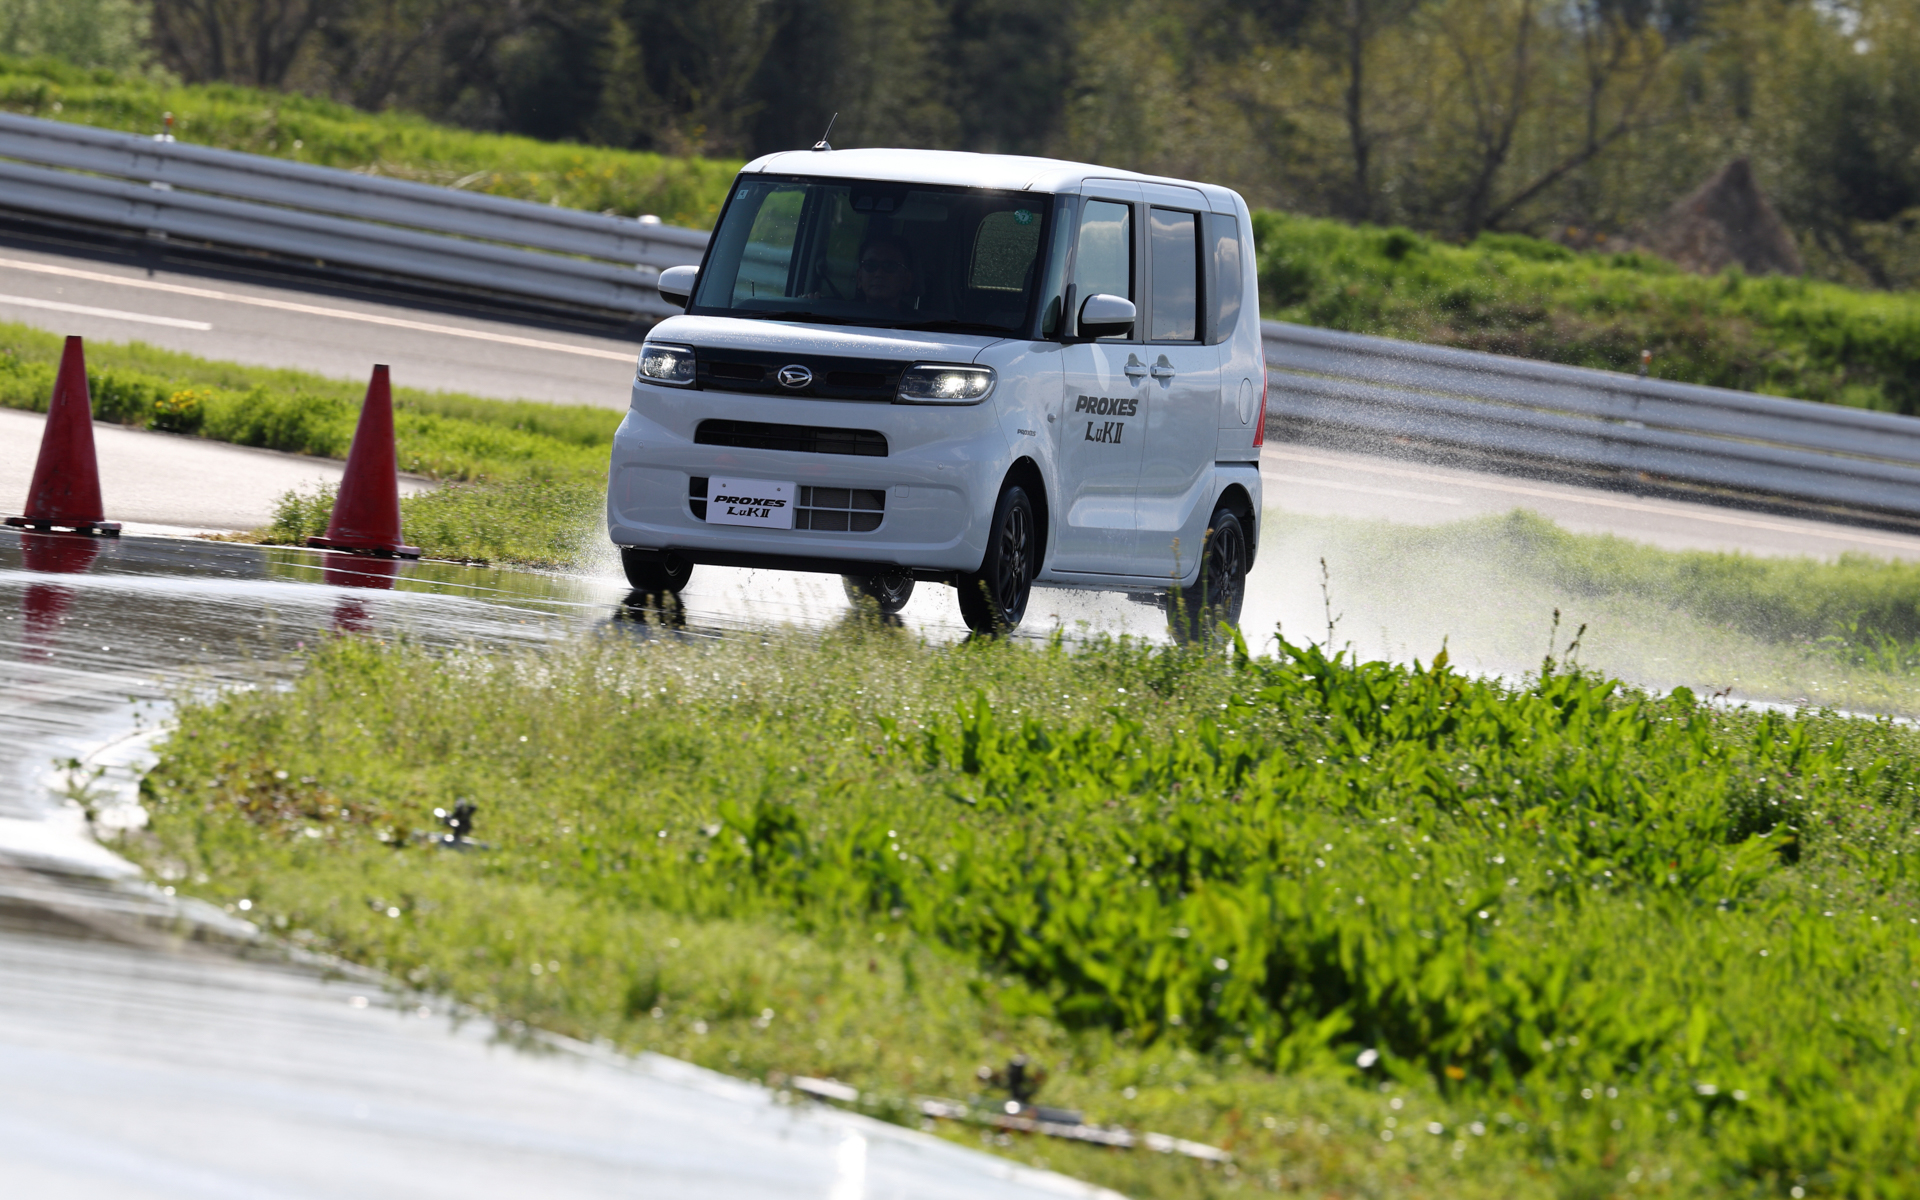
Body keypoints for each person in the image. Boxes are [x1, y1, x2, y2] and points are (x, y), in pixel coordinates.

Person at [853, 232, 917, 311]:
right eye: (870, 265)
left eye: (889, 266)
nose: (879, 274)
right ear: (859, 277)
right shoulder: (841, 314)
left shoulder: (918, 322)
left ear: (907, 280)